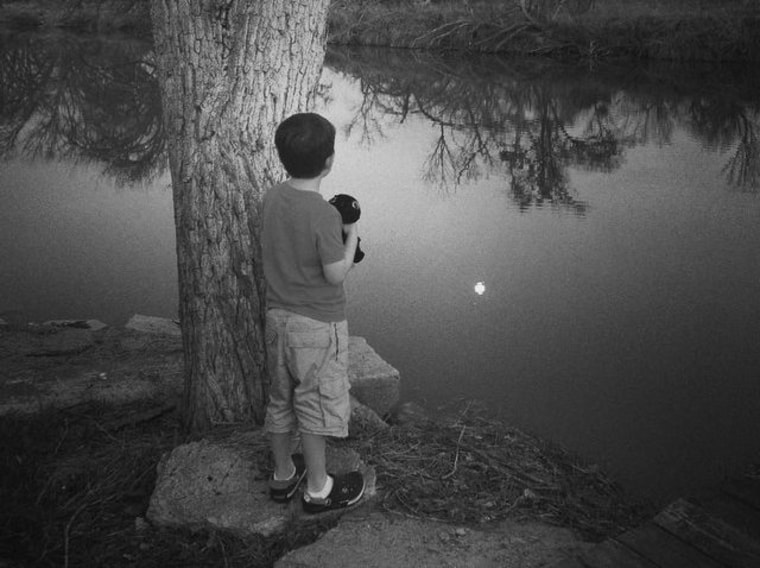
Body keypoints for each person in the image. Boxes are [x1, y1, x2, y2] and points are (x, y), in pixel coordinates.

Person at [261, 112, 365, 513]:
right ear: (329, 161)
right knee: (314, 405)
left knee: (281, 397)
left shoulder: (271, 197)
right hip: (316, 325)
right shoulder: (324, 214)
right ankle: (319, 489)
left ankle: (284, 474)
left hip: (277, 319)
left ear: (282, 157)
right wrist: (350, 235)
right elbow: (335, 273)